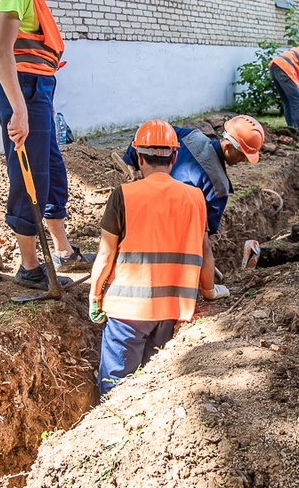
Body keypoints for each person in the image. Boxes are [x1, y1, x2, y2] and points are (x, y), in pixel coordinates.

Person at [0, 0, 95, 291]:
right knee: (29, 174)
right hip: (23, 92)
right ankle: (30, 267)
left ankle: (63, 250)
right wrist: (19, 108)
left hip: (37, 92)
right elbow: (2, 51)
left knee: (50, 168)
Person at [89, 120, 217, 397]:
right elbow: (206, 252)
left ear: (138, 156)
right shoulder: (196, 198)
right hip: (173, 309)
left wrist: (95, 296)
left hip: (126, 311)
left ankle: (108, 433)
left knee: (115, 388)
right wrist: (208, 291)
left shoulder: (123, 195)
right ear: (174, 156)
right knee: (149, 385)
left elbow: (105, 253)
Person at [121, 115, 265, 296]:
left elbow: (148, 133)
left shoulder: (190, 136)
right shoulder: (218, 186)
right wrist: (209, 287)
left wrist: (131, 161)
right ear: (228, 146)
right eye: (243, 155)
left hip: (138, 212)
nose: (244, 160)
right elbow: (201, 240)